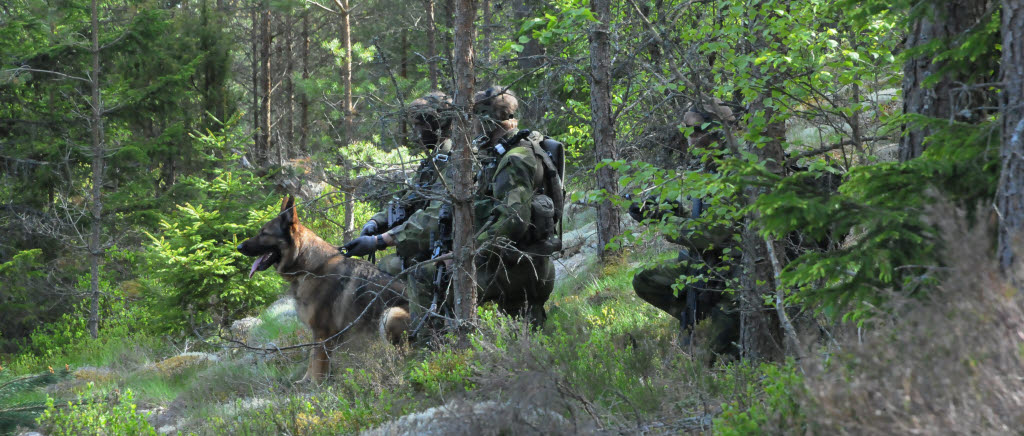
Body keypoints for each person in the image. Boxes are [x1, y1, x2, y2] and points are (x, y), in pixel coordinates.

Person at [630, 99, 740, 354]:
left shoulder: (736, 169)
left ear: (720, 131)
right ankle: (699, 321)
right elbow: (704, 217)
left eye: (698, 131)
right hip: (709, 266)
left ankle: (711, 325)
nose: (691, 139)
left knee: (715, 359)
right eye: (688, 131)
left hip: (737, 276)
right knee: (646, 279)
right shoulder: (711, 167)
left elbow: (713, 234)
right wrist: (670, 210)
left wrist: (666, 221)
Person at [341, 92, 455, 333]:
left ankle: (422, 341)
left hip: (446, 251)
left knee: (386, 272)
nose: (417, 133)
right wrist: (376, 222)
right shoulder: (434, 160)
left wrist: (380, 240)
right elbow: (409, 199)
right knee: (378, 273)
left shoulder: (455, 160)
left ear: (438, 124)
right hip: (425, 247)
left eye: (421, 125)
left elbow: (432, 218)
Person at [471, 85, 561, 326]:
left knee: (438, 279)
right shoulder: (516, 151)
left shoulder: (515, 158)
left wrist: (469, 253)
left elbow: (513, 220)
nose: (473, 126)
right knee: (526, 335)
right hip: (525, 265)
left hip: (516, 269)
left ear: (489, 121)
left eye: (477, 119)